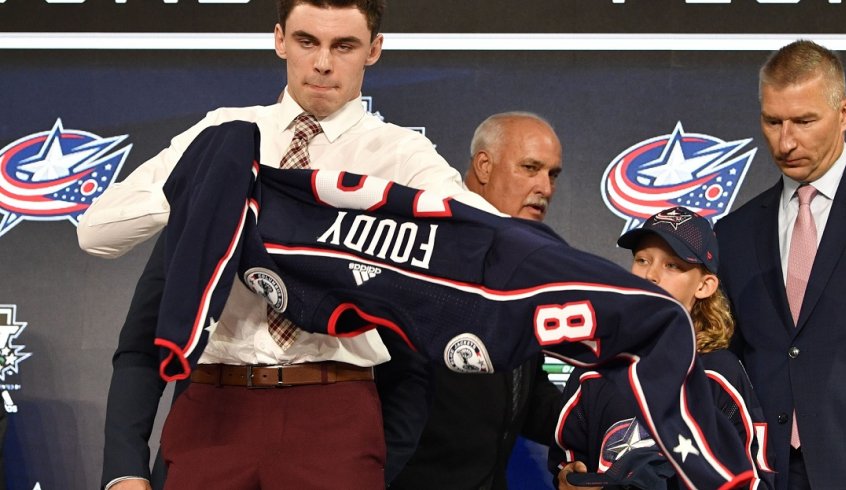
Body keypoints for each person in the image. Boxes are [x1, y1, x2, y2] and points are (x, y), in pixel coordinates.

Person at [79, 1, 496, 488]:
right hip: (213, 410)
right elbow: (96, 233)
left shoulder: (400, 155)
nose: (322, 62)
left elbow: (486, 239)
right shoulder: (222, 133)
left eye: (343, 46)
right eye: (306, 41)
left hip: (332, 413)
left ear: (374, 50)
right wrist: (208, 186)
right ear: (280, 40)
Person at [714, 39, 846, 489]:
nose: (786, 141)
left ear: (845, 114)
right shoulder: (734, 231)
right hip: (768, 469)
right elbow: (727, 358)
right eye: (772, 121)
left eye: (804, 121)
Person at [392, 112, 564, 490]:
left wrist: (599, 419)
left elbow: (527, 396)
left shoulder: (523, 267)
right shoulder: (423, 251)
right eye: (531, 168)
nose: (545, 188)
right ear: (484, 166)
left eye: (552, 174)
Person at [550, 207, 774, 490]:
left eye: (672, 266)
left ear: (704, 285)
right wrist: (569, 478)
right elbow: (566, 461)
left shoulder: (718, 374)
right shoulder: (596, 370)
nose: (651, 276)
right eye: (642, 260)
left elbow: (756, 478)